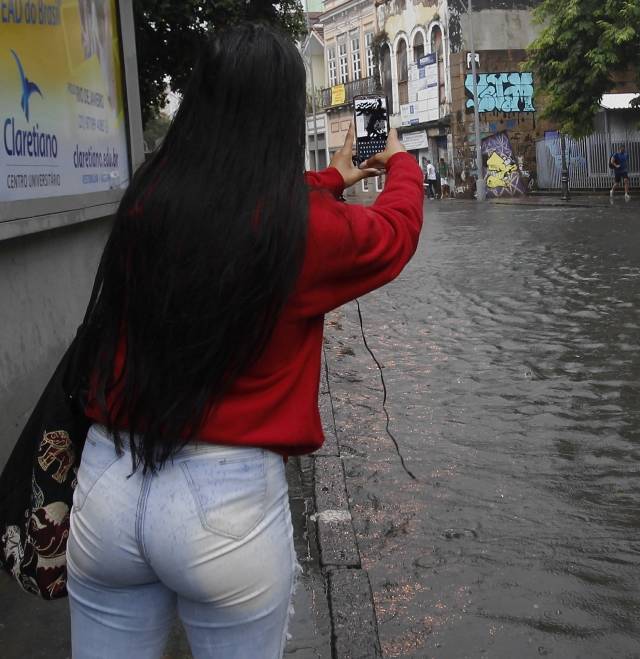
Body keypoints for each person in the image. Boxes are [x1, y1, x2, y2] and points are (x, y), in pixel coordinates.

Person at [68, 24, 422, 659]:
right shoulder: (303, 233)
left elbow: (239, 214)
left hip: (108, 481)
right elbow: (394, 233)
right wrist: (399, 163)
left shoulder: (149, 198)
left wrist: (333, 178)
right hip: (225, 507)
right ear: (280, 115)